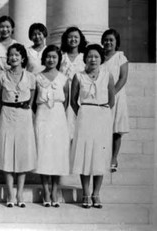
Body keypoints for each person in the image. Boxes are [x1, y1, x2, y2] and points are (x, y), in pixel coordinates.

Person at [70, 44, 115, 209]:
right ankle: (86, 193)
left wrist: (101, 112)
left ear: (101, 58)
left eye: (96, 56)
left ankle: (96, 193)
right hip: (85, 117)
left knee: (99, 156)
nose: (93, 59)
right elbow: (73, 101)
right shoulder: (78, 76)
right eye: (90, 56)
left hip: (102, 116)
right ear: (85, 58)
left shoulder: (107, 76)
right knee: (85, 155)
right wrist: (84, 112)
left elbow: (112, 100)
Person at [0, 43, 36, 208]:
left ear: (23, 58)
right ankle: (10, 193)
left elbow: (32, 97)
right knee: (7, 151)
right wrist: (6, 109)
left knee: (22, 152)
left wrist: (25, 109)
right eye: (10, 55)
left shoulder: (30, 77)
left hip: (24, 116)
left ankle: (19, 192)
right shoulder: (1, 76)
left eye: (16, 55)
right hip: (7, 114)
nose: (13, 58)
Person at [33, 45, 70, 208]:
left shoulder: (64, 78)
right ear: (44, 58)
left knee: (57, 153)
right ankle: (46, 190)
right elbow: (33, 101)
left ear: (58, 59)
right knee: (43, 152)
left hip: (58, 116)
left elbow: (67, 100)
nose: (51, 60)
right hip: (42, 115)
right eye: (48, 57)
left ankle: (55, 189)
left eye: (54, 57)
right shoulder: (37, 77)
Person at [101, 29, 129, 173]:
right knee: (103, 128)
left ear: (116, 42)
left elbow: (123, 78)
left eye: (111, 40)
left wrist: (112, 93)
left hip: (116, 96)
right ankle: (103, 156)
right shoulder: (99, 57)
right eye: (106, 40)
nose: (108, 42)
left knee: (116, 129)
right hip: (101, 96)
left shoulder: (120, 57)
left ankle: (113, 158)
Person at [59, 26, 88, 139]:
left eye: (76, 37)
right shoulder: (61, 57)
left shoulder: (84, 57)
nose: (73, 39)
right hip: (64, 95)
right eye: (70, 37)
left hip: (78, 95)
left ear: (80, 39)